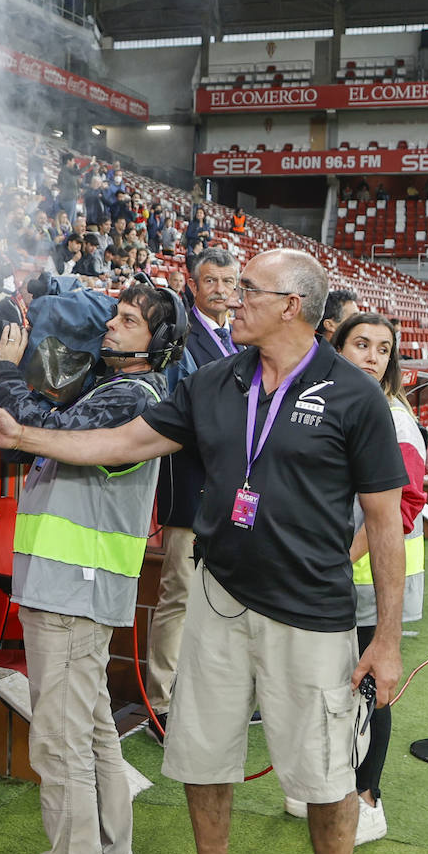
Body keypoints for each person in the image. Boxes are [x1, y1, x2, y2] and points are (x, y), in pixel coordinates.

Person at [0, 248, 408, 854]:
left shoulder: (354, 396)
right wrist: (22, 436)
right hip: (220, 599)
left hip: (312, 611)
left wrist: (388, 641)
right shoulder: (214, 382)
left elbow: (384, 521)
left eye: (249, 289)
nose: (233, 299)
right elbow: (122, 442)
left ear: (290, 305)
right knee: (205, 759)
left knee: (325, 775)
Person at [0, 281, 182, 854]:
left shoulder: (131, 394)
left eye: (130, 321)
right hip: (74, 587)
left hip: (75, 588)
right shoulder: (117, 386)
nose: (112, 327)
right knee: (92, 724)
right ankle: (111, 852)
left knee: (61, 736)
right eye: (117, 315)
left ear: (158, 344)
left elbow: (45, 422)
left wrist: (2, 374)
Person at [294, 313, 424, 846]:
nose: (372, 356)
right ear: (336, 347)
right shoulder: (324, 404)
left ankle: (368, 797)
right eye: (361, 344)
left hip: (369, 579)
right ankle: (328, 787)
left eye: (383, 348)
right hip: (332, 579)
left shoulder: (392, 417)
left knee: (369, 689)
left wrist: (343, 558)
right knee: (329, 688)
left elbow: (403, 506)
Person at [148, 247, 241, 744]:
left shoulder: (241, 337)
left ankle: (209, 695)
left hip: (234, 490)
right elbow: (173, 415)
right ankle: (161, 704)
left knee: (224, 596)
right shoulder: (182, 338)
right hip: (192, 484)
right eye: (211, 281)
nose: (221, 289)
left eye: (229, 281)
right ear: (193, 283)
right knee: (179, 595)